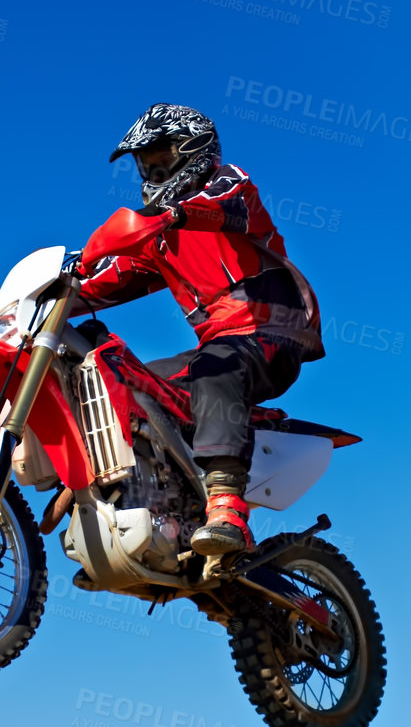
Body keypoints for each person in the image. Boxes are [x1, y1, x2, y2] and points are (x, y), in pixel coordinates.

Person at [79, 103, 324, 555]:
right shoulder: (157, 237)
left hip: (270, 336)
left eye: (162, 158)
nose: (152, 171)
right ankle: (164, 502)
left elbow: (218, 206)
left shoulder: (230, 186)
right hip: (218, 345)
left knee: (215, 366)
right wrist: (60, 287)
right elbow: (107, 282)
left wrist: (168, 217)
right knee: (121, 383)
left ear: (194, 151)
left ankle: (228, 509)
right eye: (145, 164)